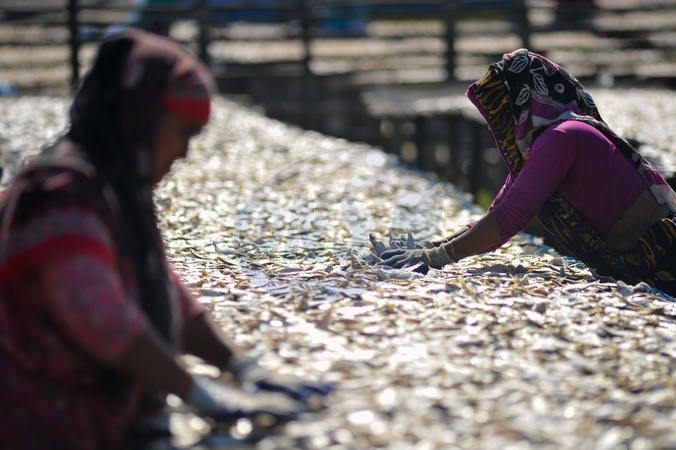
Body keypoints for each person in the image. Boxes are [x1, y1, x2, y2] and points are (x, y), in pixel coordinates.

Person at [0, 28, 330, 449]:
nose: (184, 153)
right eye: (183, 132)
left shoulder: (116, 188)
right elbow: (99, 315)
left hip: (108, 421)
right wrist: (195, 391)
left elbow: (165, 291)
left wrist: (243, 367)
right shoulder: (62, 193)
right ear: (142, 115)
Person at [380, 49, 676, 296]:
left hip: (664, 257)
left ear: (522, 101)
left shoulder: (561, 137)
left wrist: (438, 257)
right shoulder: (549, 142)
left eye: (503, 110)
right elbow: (498, 213)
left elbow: (511, 217)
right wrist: (433, 248)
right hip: (643, 262)